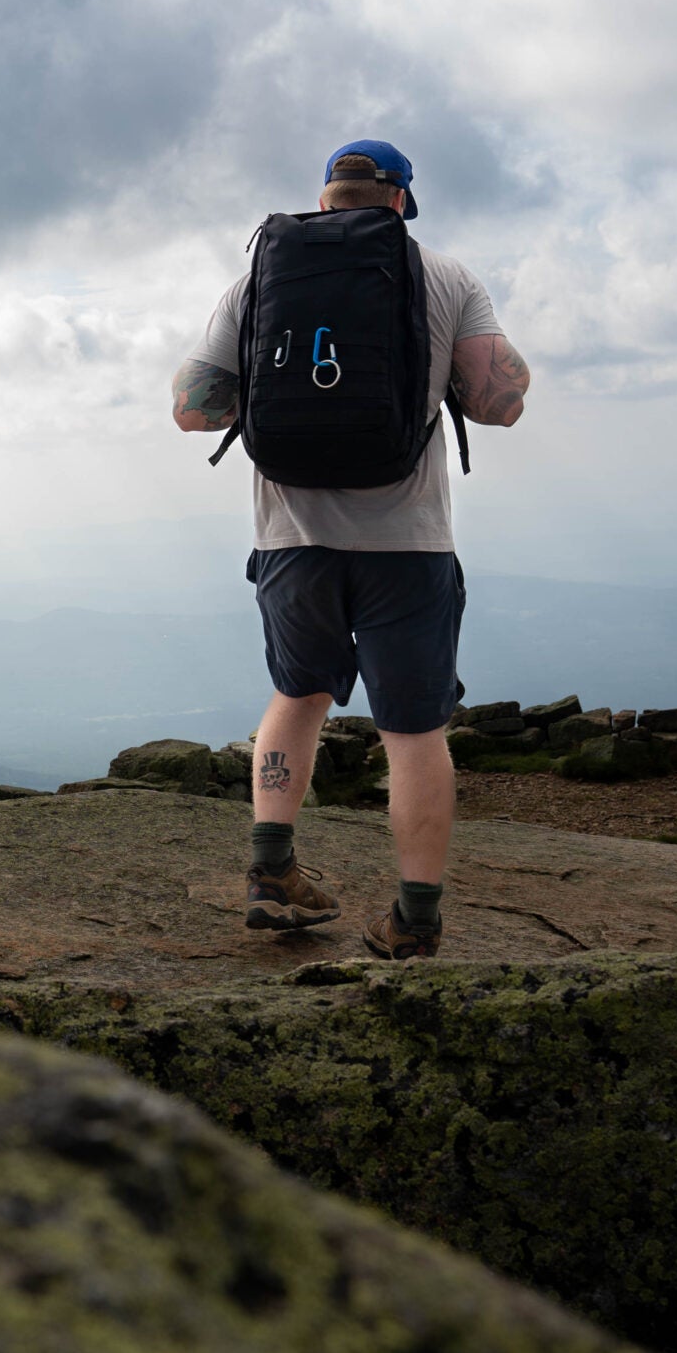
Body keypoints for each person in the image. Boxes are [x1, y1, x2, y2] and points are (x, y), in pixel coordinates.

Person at [168, 140, 531, 958]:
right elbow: (499, 400)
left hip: (292, 539)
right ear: (401, 201)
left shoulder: (261, 275)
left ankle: (270, 874)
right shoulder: (446, 278)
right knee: (413, 732)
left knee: (297, 697)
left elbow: (192, 406)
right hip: (408, 543)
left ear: (324, 200)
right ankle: (414, 918)